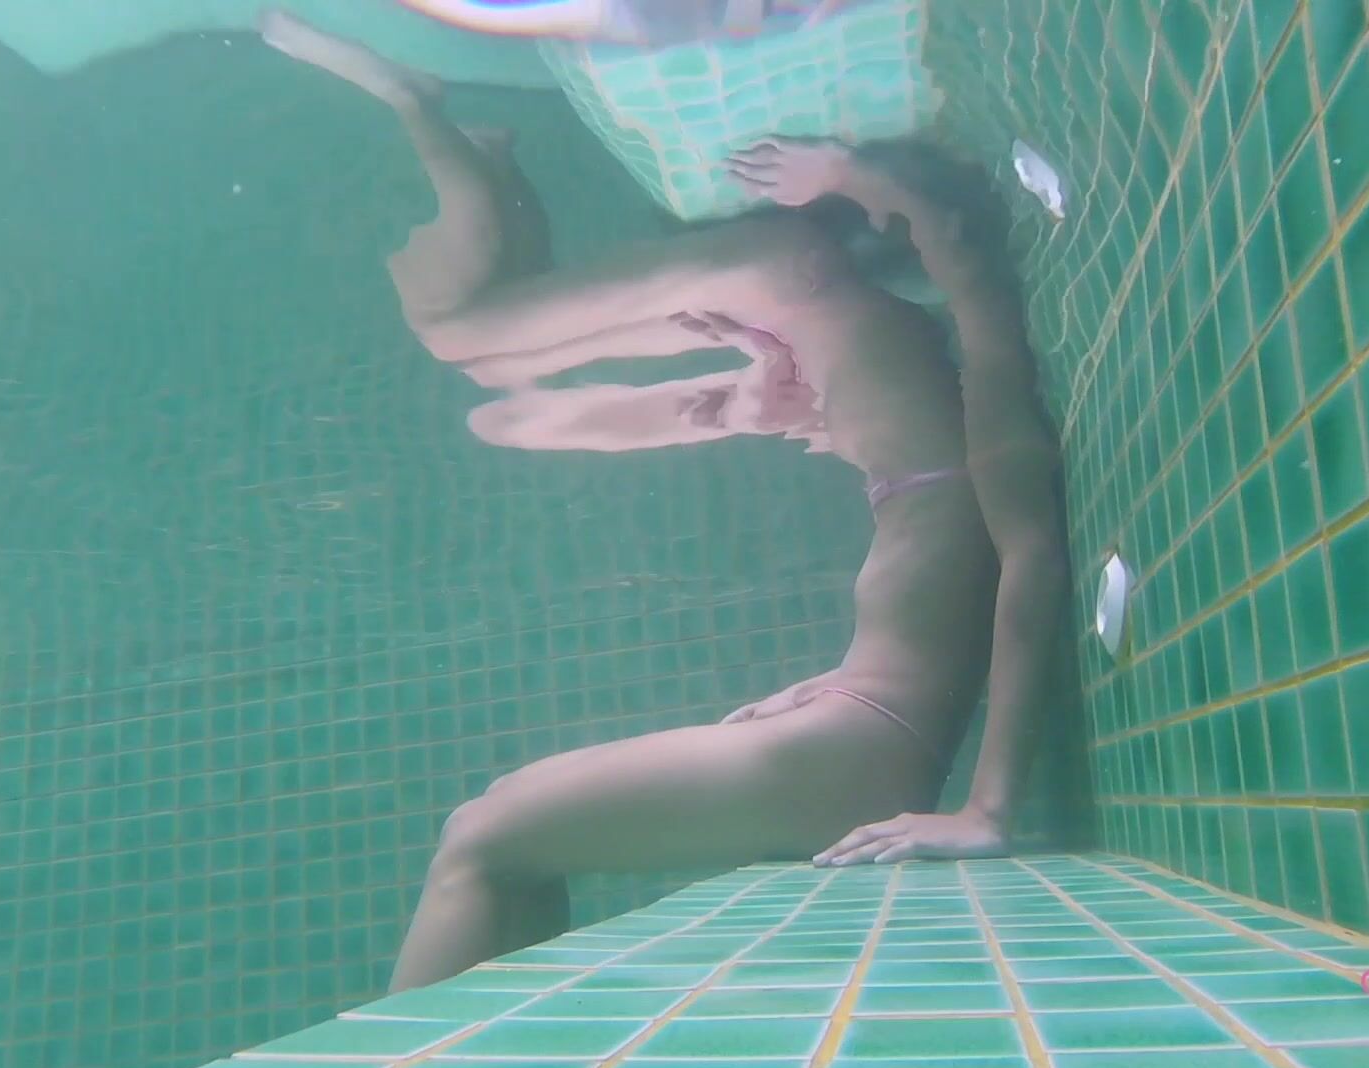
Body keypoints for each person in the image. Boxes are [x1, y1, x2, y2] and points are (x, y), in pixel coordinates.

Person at [260, 11, 1068, 993]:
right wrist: (848, 190)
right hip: (855, 730)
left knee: (484, 836)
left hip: (861, 749)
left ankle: (412, 1056)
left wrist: (988, 810)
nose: (819, 415)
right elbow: (961, 269)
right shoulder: (947, 439)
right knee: (495, 842)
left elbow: (1031, 568)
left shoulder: (985, 430)